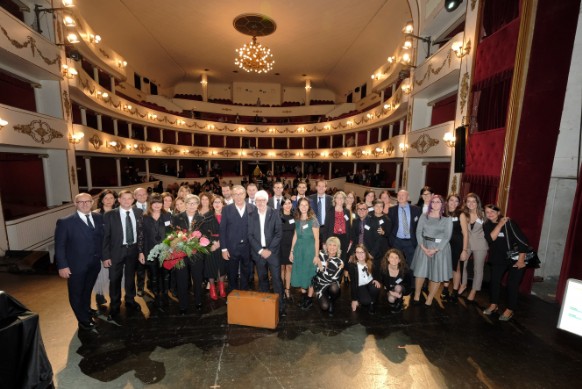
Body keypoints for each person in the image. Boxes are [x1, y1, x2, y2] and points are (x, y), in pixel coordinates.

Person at [54, 193, 104, 333]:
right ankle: (83, 321)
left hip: (94, 264)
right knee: (76, 293)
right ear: (75, 204)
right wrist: (62, 265)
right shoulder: (65, 222)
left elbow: (101, 239)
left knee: (87, 290)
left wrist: (104, 257)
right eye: (80, 202)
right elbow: (60, 246)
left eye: (87, 201)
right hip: (75, 266)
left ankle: (86, 310)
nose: (84, 204)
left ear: (92, 202)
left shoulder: (98, 218)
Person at [103, 189, 144, 322]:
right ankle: (114, 305)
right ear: (119, 200)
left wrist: (140, 251)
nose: (127, 201)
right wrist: (106, 256)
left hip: (133, 250)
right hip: (116, 251)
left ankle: (130, 300)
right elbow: (105, 237)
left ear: (133, 200)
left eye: (130, 198)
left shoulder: (139, 213)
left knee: (130, 277)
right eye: (124, 199)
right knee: (114, 279)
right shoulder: (110, 215)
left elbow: (140, 234)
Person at [482, 204, 528, 321]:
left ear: (499, 212)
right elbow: (490, 238)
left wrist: (521, 260)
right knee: (494, 281)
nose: (490, 214)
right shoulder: (487, 225)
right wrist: (500, 224)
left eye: (493, 211)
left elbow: (523, 241)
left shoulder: (509, 223)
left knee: (512, 284)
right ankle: (493, 304)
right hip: (498, 258)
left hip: (516, 258)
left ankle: (510, 309)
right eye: (487, 212)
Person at [248, 190, 286, 316]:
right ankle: (265, 304)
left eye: (262, 200)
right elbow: (250, 235)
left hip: (272, 252)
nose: (260, 202)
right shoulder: (251, 214)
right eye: (257, 200)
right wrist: (260, 250)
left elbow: (278, 234)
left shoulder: (275, 213)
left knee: (276, 279)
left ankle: (281, 306)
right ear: (255, 202)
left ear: (266, 201)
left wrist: (269, 250)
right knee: (262, 279)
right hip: (258, 253)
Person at [410, 194, 453, 306]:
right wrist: (422, 246)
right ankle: (417, 295)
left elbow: (447, 236)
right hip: (424, 245)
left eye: (438, 202)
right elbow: (418, 232)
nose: (435, 204)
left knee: (436, 274)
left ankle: (430, 298)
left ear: (443, 204)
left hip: (440, 249)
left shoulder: (447, 219)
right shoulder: (424, 216)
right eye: (433, 202)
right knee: (420, 272)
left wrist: (436, 249)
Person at [138, 193, 172, 310]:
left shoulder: (167, 215)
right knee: (153, 275)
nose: (157, 205)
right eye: (154, 202)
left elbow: (171, 234)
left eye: (159, 202)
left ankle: (165, 294)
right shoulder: (144, 217)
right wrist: (140, 252)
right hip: (149, 250)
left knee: (166, 274)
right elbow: (141, 236)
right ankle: (157, 295)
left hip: (165, 251)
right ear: (150, 204)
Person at [172, 194, 205, 314]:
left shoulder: (202, 218)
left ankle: (198, 301)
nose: (191, 206)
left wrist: (198, 243)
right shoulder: (177, 217)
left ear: (198, 205)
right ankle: (183, 304)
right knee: (181, 279)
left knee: (197, 278)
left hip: (196, 254)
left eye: (194, 203)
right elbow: (172, 234)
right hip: (180, 253)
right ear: (185, 204)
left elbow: (205, 236)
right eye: (189, 203)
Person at [220, 185, 255, 292]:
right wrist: (224, 249)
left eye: (241, 194)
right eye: (236, 194)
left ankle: (243, 294)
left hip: (247, 247)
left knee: (246, 273)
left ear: (245, 195)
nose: (238, 196)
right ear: (232, 196)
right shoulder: (226, 209)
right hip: (231, 248)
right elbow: (222, 230)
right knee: (232, 274)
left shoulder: (252, 208)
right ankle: (232, 295)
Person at [289, 197, 320, 308]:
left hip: (309, 250)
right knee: (301, 272)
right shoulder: (297, 219)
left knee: (310, 273)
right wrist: (291, 251)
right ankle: (303, 296)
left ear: (309, 207)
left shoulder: (313, 220)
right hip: (299, 250)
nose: (303, 207)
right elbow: (295, 236)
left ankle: (310, 298)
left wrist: (316, 255)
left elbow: (317, 239)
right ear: (298, 206)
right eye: (301, 205)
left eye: (306, 205)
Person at [460, 193, 488, 302]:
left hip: (480, 244)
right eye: (468, 201)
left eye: (473, 201)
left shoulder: (484, 214)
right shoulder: (463, 214)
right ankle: (463, 284)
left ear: (477, 203)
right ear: (465, 203)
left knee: (478, 268)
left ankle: (474, 290)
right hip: (466, 243)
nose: (471, 203)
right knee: (463, 264)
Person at [306, 236, 344, 315]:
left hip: (331, 284)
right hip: (320, 285)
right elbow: (313, 270)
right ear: (326, 246)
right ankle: (325, 297)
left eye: (334, 245)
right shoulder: (320, 254)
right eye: (330, 245)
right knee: (325, 306)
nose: (332, 247)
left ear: (338, 248)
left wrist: (320, 265)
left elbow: (332, 278)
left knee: (334, 288)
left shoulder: (340, 262)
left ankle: (332, 300)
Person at [93, 189, 118, 309]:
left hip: (115, 247)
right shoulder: (96, 214)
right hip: (101, 247)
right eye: (106, 198)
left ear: (115, 200)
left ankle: (113, 295)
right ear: (101, 200)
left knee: (112, 274)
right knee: (101, 274)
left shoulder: (118, 212)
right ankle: (99, 294)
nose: (108, 201)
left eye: (111, 198)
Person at [442, 194, 469, 302]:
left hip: (457, 243)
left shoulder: (460, 214)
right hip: (445, 243)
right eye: (451, 200)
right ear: (447, 202)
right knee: (445, 267)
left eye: (456, 201)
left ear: (459, 203)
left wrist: (464, 250)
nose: (453, 203)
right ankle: (445, 288)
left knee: (455, 268)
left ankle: (454, 290)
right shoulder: (443, 213)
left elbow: (466, 234)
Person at [388, 189, 422, 267]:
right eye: (399, 195)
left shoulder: (416, 209)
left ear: (408, 197)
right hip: (397, 241)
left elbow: (419, 226)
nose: (400, 197)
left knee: (412, 264)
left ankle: (409, 279)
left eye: (403, 195)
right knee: (396, 264)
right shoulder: (392, 210)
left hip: (411, 241)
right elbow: (390, 226)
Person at [204, 195, 226, 300]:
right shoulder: (207, 216)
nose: (217, 204)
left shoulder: (227, 215)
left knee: (222, 266)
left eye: (219, 202)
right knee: (211, 267)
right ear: (212, 205)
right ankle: (212, 287)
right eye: (215, 202)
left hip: (224, 244)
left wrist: (221, 243)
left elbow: (230, 232)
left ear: (223, 204)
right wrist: (211, 244)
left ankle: (221, 287)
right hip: (211, 245)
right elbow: (203, 233)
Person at [347, 244, 381, 314]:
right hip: (360, 285)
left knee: (376, 288)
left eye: (362, 252)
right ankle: (366, 298)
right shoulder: (352, 266)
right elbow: (353, 283)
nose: (360, 254)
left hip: (369, 282)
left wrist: (376, 279)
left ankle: (373, 302)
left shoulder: (371, 262)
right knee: (365, 302)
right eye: (358, 252)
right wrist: (354, 299)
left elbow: (377, 272)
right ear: (355, 254)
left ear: (366, 253)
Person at [323, 191, 353, 268]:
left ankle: (338, 279)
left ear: (344, 200)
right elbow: (326, 227)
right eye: (338, 197)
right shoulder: (330, 211)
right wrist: (324, 242)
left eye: (342, 198)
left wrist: (350, 241)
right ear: (335, 199)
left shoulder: (346, 211)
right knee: (331, 259)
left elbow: (349, 228)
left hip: (344, 239)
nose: (340, 199)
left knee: (341, 260)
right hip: (332, 238)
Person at [380, 248, 412, 313]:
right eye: (391, 257)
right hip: (389, 288)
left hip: (402, 289)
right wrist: (391, 292)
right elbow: (384, 283)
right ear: (388, 259)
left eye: (396, 257)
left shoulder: (405, 269)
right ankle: (395, 303)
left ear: (399, 260)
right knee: (391, 299)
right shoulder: (384, 269)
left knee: (398, 287)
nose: (394, 259)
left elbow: (408, 284)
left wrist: (404, 294)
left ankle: (400, 301)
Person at [133, 187, 149, 297]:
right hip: (138, 242)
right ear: (135, 196)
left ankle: (151, 285)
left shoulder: (153, 207)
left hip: (151, 241)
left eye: (144, 194)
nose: (142, 196)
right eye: (139, 195)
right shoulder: (131, 209)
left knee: (152, 266)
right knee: (140, 267)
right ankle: (140, 287)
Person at [279, 198, 295, 300]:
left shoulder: (295, 216)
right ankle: (280, 289)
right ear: (282, 205)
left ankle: (287, 289)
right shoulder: (277, 216)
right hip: (280, 245)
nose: (287, 205)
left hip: (291, 246)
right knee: (280, 268)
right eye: (285, 203)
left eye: (289, 203)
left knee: (289, 268)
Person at [309, 179, 333, 247]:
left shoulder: (331, 199)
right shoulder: (310, 198)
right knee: (313, 249)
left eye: (323, 186)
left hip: (326, 228)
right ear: (316, 187)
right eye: (319, 186)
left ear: (326, 188)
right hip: (313, 229)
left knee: (325, 250)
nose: (321, 188)